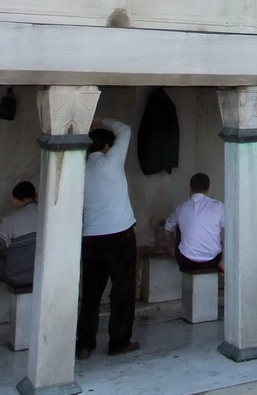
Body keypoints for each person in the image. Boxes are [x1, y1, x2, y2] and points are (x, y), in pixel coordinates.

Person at [76, 116, 139, 360]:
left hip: (91, 238)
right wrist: (99, 120)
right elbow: (125, 127)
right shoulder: (110, 161)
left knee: (91, 294)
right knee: (122, 292)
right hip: (120, 236)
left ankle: (84, 344)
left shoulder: (79, 168)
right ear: (105, 147)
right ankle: (119, 342)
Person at [164, 172, 224, 271]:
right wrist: (223, 261)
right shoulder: (219, 206)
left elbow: (167, 229)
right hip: (214, 260)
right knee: (216, 228)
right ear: (208, 190)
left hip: (186, 261)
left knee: (179, 225)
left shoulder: (181, 208)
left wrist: (171, 248)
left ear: (189, 188)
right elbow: (229, 232)